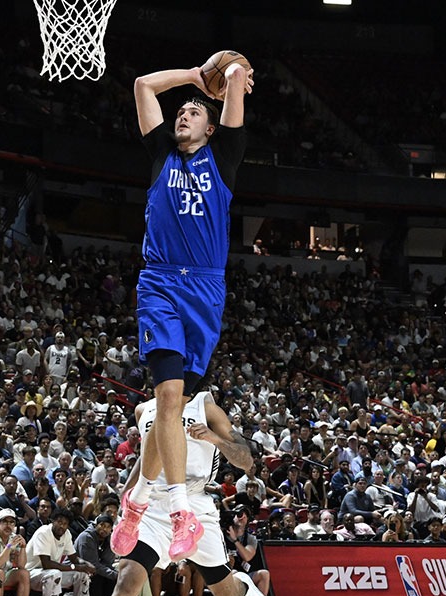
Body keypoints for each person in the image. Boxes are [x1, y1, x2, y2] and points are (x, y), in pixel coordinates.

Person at [114, 55, 253, 564]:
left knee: (171, 410)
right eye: (181, 113)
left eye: (194, 112)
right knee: (168, 396)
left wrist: (234, 74)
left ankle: (136, 499)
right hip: (162, 282)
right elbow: (142, 81)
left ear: (211, 126)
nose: (183, 116)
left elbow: (236, 82)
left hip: (207, 294)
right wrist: (196, 77)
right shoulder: (159, 155)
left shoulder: (225, 156)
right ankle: (178, 512)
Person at [88, 386, 270, 596]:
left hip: (194, 503)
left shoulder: (205, 407)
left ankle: (242, 586)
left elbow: (246, 460)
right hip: (152, 506)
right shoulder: (143, 409)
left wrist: (214, 438)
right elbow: (145, 459)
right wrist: (125, 498)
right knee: (127, 579)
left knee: (225, 595)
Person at [26, 507, 95, 596]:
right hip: (31, 574)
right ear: (52, 521)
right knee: (54, 574)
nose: (62, 526)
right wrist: (75, 567)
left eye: (65, 524)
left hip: (51, 575)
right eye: (59, 522)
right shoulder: (43, 533)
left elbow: (74, 559)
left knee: (82, 575)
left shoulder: (66, 534)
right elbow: (46, 564)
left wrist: (86, 564)